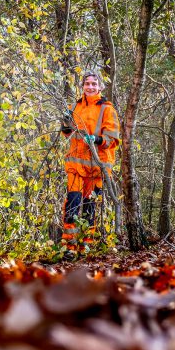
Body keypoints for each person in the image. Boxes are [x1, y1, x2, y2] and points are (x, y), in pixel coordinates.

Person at [60, 71, 120, 258]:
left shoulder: (107, 108)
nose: (90, 87)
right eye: (87, 83)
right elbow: (67, 133)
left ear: (100, 86)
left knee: (89, 207)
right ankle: (69, 247)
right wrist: (65, 124)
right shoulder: (75, 106)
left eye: (94, 84)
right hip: (76, 166)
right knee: (72, 204)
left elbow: (113, 138)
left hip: (96, 167)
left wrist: (96, 139)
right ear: (82, 86)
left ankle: (86, 246)